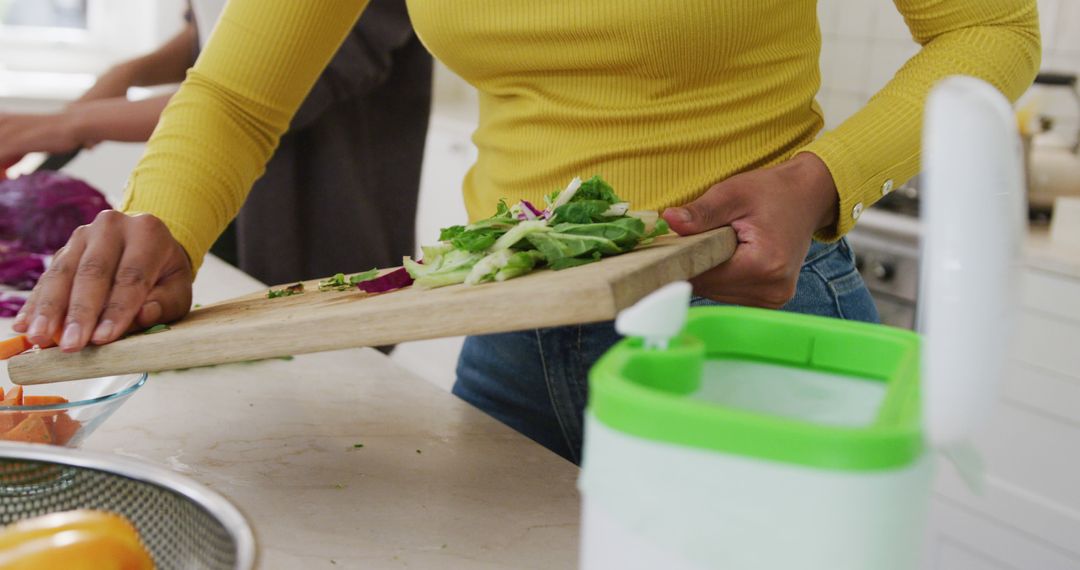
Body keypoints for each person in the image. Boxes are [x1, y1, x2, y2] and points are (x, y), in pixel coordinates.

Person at [16, 1, 1040, 463]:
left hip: (746, 321)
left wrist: (822, 179)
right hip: (514, 330)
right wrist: (161, 226)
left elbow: (992, 26)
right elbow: (238, 94)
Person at [0, 0, 431, 286]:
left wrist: (69, 124)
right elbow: (213, 36)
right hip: (213, 209)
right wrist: (127, 73)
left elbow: (266, 89)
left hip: (317, 215)